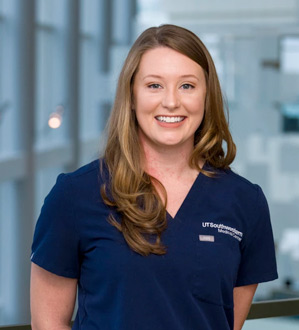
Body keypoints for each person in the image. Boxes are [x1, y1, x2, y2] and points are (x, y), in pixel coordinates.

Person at [30, 24, 278, 330]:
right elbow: (47, 323)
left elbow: (226, 324)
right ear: (132, 96)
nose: (171, 102)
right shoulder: (74, 196)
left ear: (206, 95)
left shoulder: (245, 202)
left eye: (187, 85)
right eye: (154, 85)